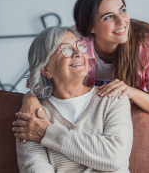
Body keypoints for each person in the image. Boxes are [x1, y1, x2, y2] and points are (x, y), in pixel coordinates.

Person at [16, 0, 149, 142]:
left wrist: (131, 92)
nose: (121, 21)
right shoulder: (75, 42)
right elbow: (44, 73)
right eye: (108, 17)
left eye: (122, 10)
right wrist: (30, 98)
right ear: (90, 27)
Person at [14, 26, 133, 173]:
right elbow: (35, 167)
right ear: (45, 69)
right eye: (66, 49)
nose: (78, 53)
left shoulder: (113, 98)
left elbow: (115, 157)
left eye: (79, 46)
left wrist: (47, 132)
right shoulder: (33, 114)